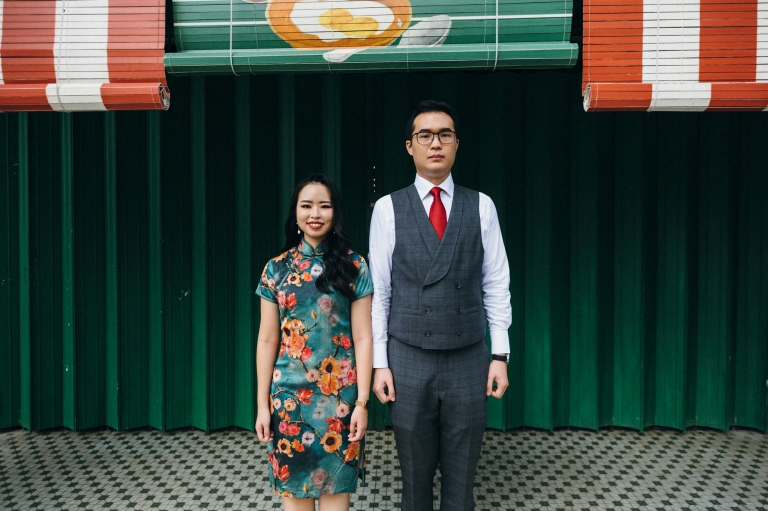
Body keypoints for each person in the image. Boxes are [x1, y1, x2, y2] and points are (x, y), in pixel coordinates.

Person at [368, 100, 511, 511]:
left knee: (462, 476)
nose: (435, 143)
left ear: (456, 145)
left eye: (444, 135)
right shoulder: (387, 209)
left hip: (468, 357)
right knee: (414, 478)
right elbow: (380, 291)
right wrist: (381, 362)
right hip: (408, 358)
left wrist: (499, 355)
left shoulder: (481, 205)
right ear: (409, 146)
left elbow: (496, 283)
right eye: (425, 136)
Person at [255, 173, 373, 511]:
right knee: (295, 499)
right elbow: (266, 339)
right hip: (289, 403)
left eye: (324, 205)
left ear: (335, 213)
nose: (315, 213)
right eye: (307, 206)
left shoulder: (354, 266)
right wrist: (263, 406)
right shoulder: (275, 270)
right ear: (295, 214)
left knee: (337, 498)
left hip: (340, 404)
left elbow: (363, 336)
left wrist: (362, 403)